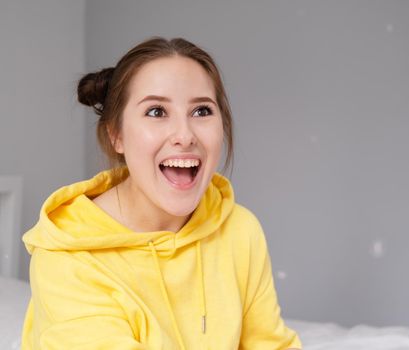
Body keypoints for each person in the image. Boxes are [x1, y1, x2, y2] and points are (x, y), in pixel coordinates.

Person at [20, 37, 302, 349]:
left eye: (201, 111)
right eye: (156, 111)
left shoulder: (240, 231)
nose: (185, 135)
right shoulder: (68, 259)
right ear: (117, 135)